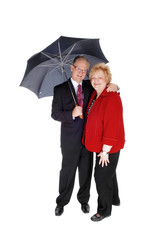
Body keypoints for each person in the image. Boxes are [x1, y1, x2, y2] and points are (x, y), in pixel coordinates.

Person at [51, 56, 118, 216]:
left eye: (84, 70)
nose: (81, 72)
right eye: (78, 68)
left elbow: (104, 87)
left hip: (89, 140)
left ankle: (83, 201)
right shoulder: (60, 89)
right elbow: (54, 114)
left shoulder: (90, 85)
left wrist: (115, 86)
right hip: (69, 140)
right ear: (72, 68)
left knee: (86, 171)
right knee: (67, 171)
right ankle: (62, 202)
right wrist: (71, 114)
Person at [82, 63, 125, 221]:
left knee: (101, 177)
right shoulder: (95, 94)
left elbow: (112, 126)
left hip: (108, 147)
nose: (95, 80)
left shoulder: (111, 96)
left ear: (107, 79)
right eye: (93, 77)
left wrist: (105, 151)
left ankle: (104, 210)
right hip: (98, 144)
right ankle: (114, 199)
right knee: (109, 174)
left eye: (100, 77)